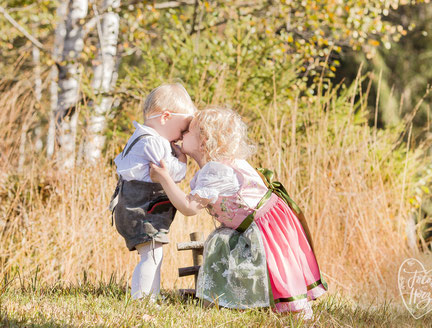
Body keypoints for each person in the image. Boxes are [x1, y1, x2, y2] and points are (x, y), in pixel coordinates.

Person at [149, 107, 327, 317]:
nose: (182, 134)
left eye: (187, 131)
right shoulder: (227, 164)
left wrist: (164, 178)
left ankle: (285, 308)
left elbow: (189, 208)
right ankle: (268, 303)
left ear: (203, 141)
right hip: (270, 222)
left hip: (261, 227)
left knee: (223, 245)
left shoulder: (214, 171)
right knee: (232, 244)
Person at [110, 83, 196, 301]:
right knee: (152, 254)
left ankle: (147, 296)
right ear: (166, 117)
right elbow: (173, 174)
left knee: (151, 253)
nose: (182, 135)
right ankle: (144, 299)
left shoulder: (141, 137)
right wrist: (183, 162)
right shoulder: (154, 142)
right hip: (142, 210)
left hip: (134, 207)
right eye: (183, 127)